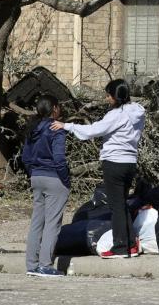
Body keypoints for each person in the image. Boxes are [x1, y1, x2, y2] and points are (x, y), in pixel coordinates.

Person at [52, 79, 145, 259]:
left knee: (116, 206)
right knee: (122, 203)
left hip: (114, 163)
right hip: (130, 162)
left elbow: (94, 130)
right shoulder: (137, 111)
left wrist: (67, 126)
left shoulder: (116, 115)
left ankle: (120, 247)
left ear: (115, 97)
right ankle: (131, 244)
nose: (106, 98)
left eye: (108, 95)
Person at [22, 94, 70, 278]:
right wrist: (65, 179)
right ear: (55, 108)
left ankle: (31, 265)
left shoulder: (32, 128)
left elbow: (25, 157)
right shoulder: (56, 129)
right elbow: (59, 159)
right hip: (54, 178)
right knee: (52, 223)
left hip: (36, 177)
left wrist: (33, 173)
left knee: (36, 222)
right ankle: (45, 265)